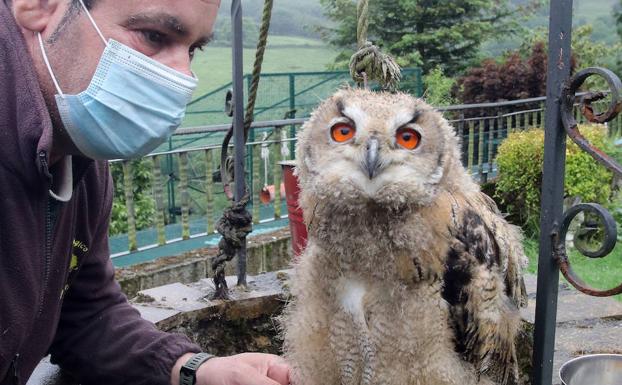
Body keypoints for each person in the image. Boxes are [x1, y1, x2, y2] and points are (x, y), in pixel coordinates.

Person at [0, 0, 291, 384]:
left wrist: (194, 370)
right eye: (154, 36)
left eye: (193, 50)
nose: (184, 77)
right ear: (38, 5)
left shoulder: (79, 158)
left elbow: (87, 315)